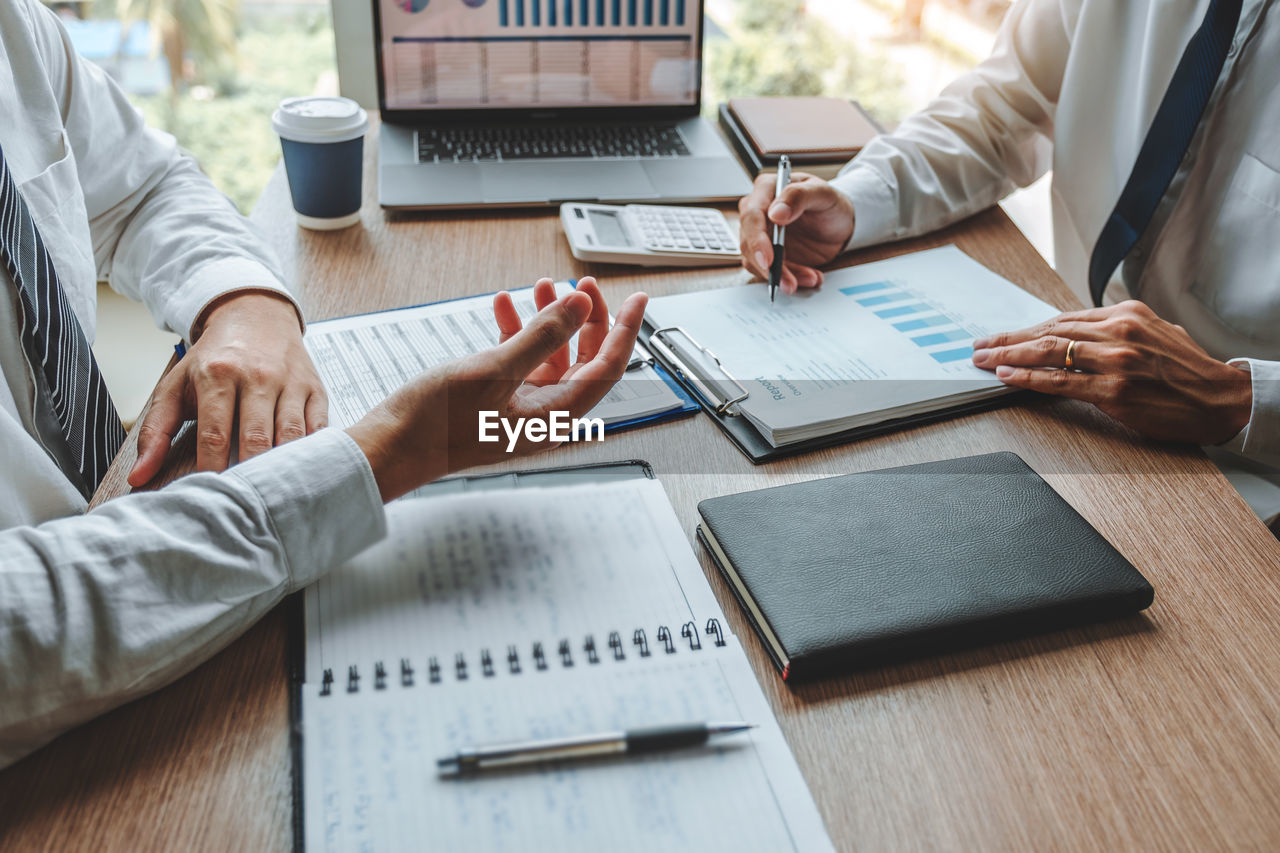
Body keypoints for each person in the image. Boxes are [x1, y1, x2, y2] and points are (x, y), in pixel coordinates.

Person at [0, 0, 646, 768]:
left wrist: (243, 304)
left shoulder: (18, 27)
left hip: (121, 502)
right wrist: (390, 451)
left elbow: (146, 187)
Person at [738, 0, 1280, 530]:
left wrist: (1239, 398)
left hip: (1246, 473)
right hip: (1066, 391)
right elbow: (999, 108)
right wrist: (855, 203)